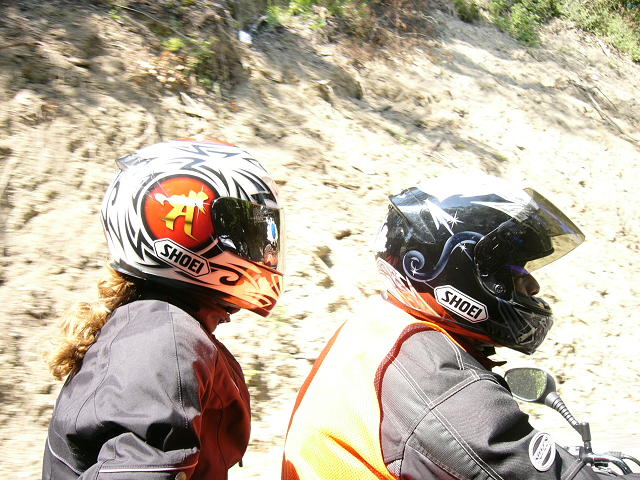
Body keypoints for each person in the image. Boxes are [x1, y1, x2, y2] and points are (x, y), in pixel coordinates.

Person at [282, 174, 639, 479]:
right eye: (512, 268)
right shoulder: (430, 373)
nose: (532, 286)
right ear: (454, 269)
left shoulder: (385, 329)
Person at [43, 138, 284, 480]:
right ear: (192, 232)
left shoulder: (153, 324)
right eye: (247, 231)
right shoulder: (162, 342)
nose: (265, 249)